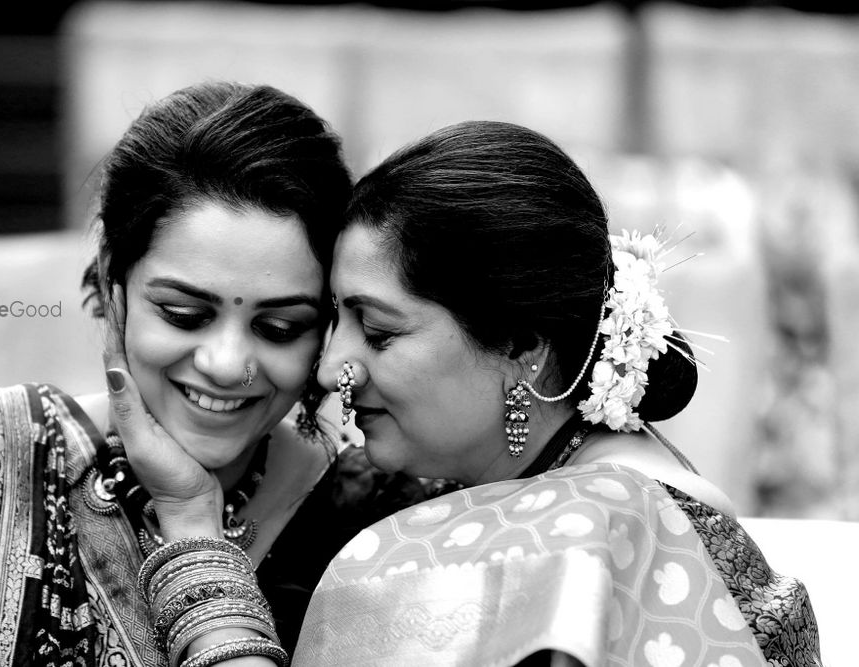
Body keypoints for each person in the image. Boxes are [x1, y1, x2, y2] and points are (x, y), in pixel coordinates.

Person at [0, 81, 426, 666]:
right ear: (113, 282)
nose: (227, 364)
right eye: (184, 315)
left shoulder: (385, 529)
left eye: (279, 327)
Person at [289, 121, 822, 665]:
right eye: (336, 319)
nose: (332, 369)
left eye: (378, 333)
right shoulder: (583, 496)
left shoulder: (609, 535)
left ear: (523, 345)